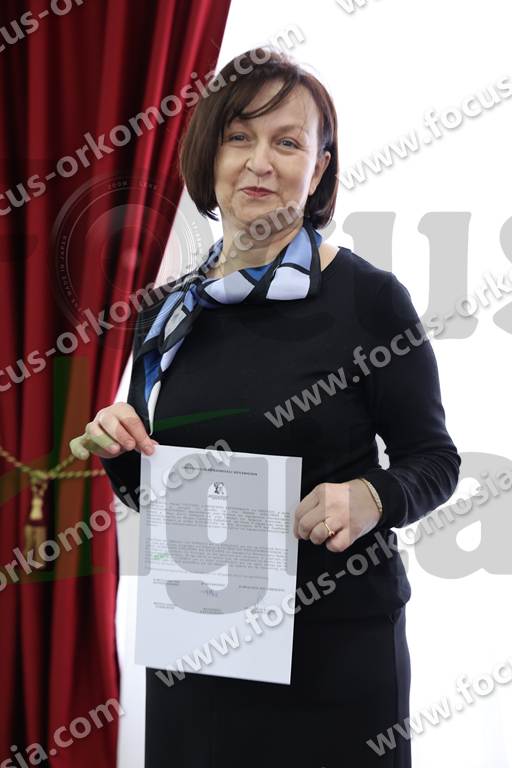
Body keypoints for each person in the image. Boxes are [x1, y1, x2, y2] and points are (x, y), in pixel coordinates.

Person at [70, 47, 461, 767]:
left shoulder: (370, 300)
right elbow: (157, 489)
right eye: (239, 136)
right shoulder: (167, 312)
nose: (259, 162)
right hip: (200, 652)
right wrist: (122, 450)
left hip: (336, 658)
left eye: (287, 143)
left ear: (318, 168)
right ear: (210, 155)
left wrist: (372, 496)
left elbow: (434, 461)